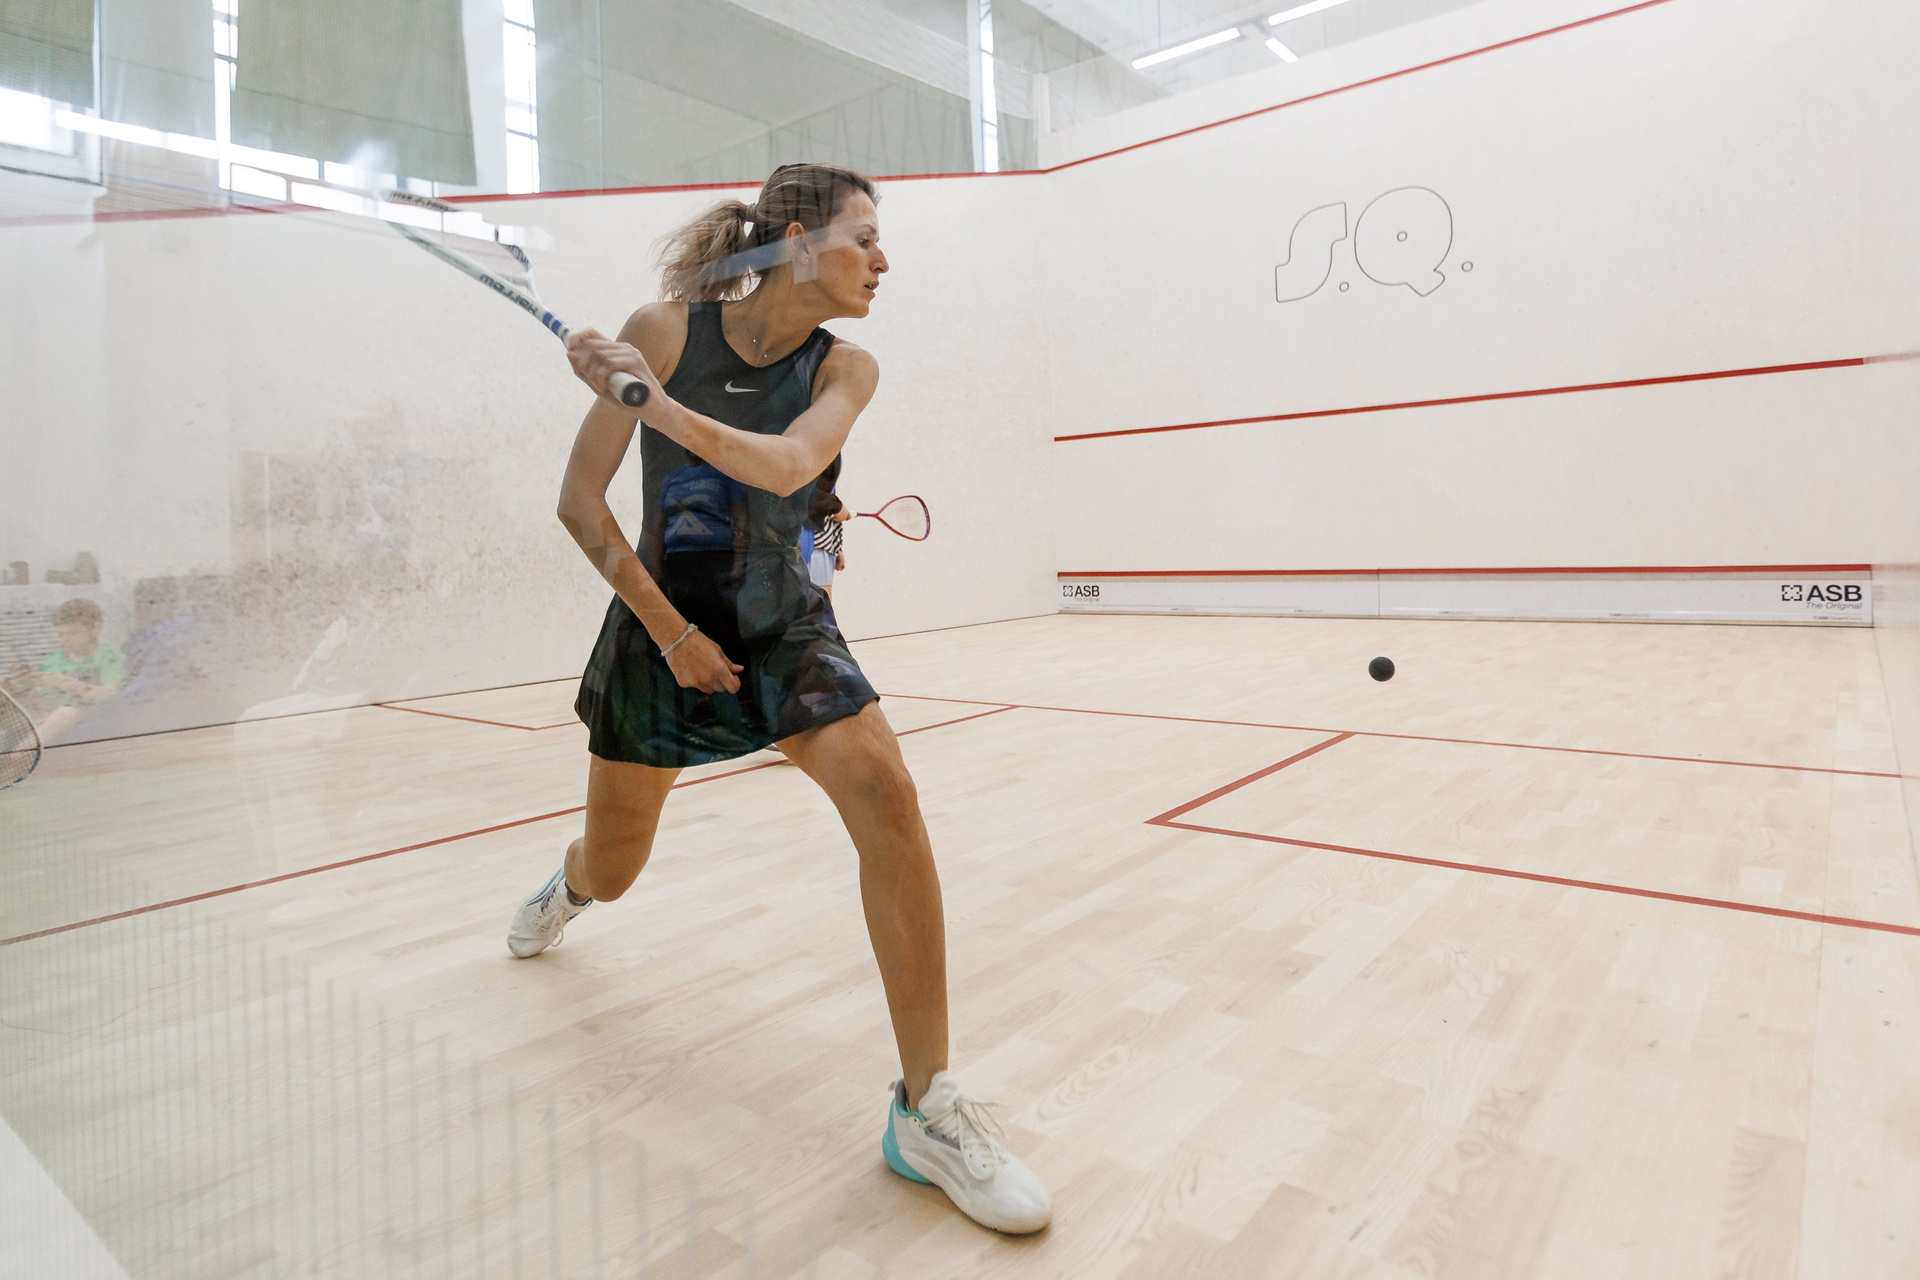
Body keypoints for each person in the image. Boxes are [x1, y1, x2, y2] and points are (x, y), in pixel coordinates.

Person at [504, 163, 1051, 1235]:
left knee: (889, 793)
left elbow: (801, 470)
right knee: (616, 867)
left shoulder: (847, 366)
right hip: (662, 630)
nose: (883, 260)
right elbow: (580, 504)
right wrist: (672, 634)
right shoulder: (662, 332)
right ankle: (570, 885)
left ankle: (927, 1109)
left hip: (785, 629)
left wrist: (807, 547)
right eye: (864, 237)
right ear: (798, 242)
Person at [6, 598, 126, 743]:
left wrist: (63, 682)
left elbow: (112, 698)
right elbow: (43, 705)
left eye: (73, 633)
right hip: (50, 728)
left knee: (66, 714)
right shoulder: (53, 662)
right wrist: (23, 687)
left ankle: (21, 753)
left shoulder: (110, 658)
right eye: (60, 634)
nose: (64, 640)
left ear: (95, 628)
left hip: (91, 728)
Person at [801, 455, 850, 597]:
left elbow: (829, 490)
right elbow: (800, 492)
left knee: (821, 607)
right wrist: (836, 507)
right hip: (806, 543)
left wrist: (836, 546)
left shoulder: (834, 448)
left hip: (823, 546)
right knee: (817, 609)